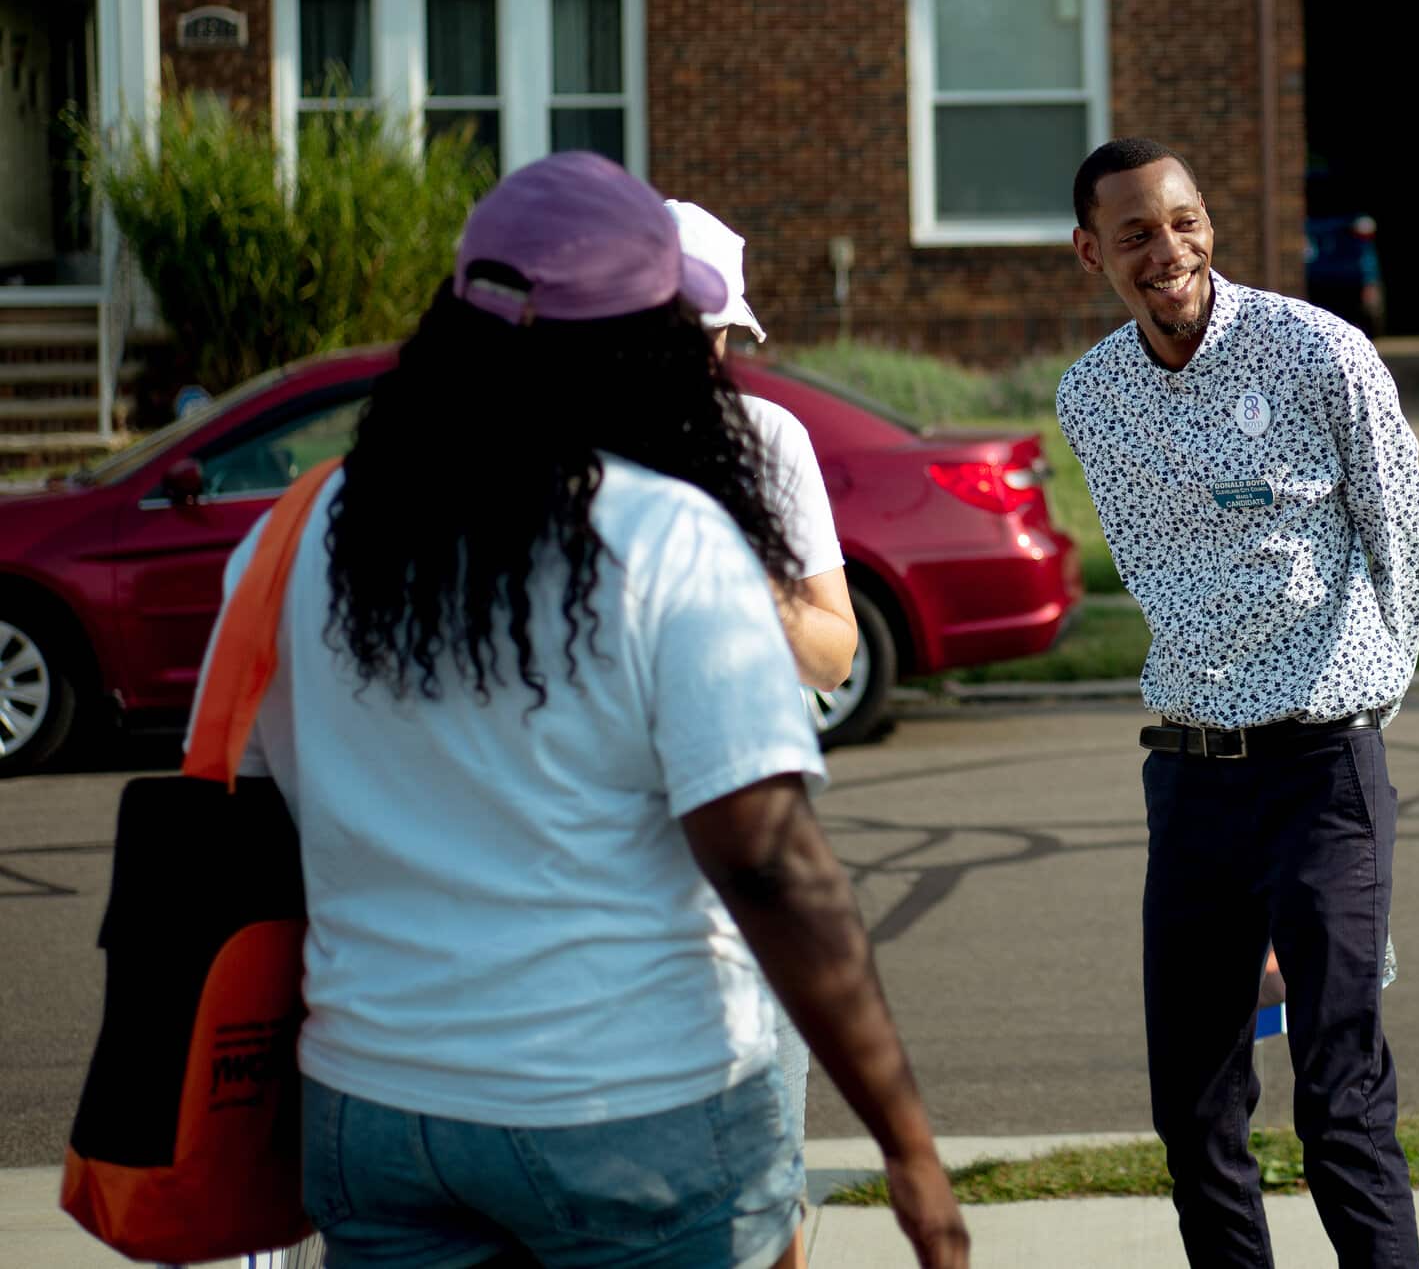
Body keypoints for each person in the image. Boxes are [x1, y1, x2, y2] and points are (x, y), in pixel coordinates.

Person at [215, 153, 966, 1269]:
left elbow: (260, 838)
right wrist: (907, 1140)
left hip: (374, 1113)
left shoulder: (296, 533)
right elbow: (767, 866)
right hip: (628, 1111)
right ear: (649, 339)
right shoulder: (665, 536)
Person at [1054, 137, 1419, 1269]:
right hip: (1187, 781)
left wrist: (1359, 710)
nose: (1166, 250)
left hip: (1324, 771)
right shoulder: (1093, 395)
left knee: (1340, 1101)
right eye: (1133, 233)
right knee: (1195, 1110)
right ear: (1093, 252)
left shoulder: (1320, 352)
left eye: (1183, 220)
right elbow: (1163, 578)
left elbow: (1408, 551)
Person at [669, 196, 861, 1207]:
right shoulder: (544, 460)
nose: (701, 359)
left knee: (760, 1167)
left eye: (713, 338)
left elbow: (835, 648)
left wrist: (715, 568)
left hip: (750, 844)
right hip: (602, 863)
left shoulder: (766, 440)